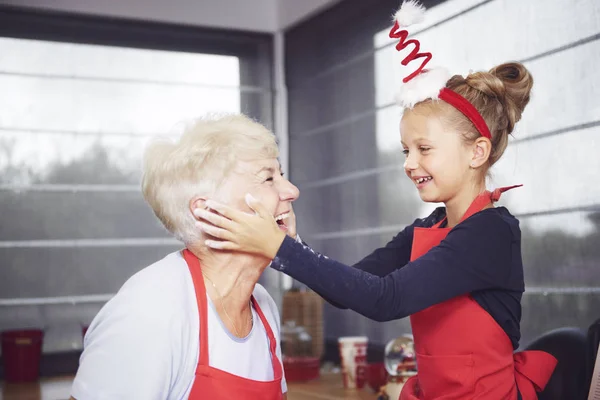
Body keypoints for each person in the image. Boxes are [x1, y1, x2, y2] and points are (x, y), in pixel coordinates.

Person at [192, 2, 558, 399]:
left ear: (477, 152)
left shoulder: (490, 233)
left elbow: (387, 300)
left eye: (424, 148)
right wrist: (293, 247)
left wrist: (277, 248)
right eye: (405, 151)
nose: (410, 163)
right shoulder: (428, 228)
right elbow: (352, 287)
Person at [70, 114, 299, 400]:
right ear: (209, 212)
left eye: (282, 175)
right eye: (268, 178)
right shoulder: (152, 310)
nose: (292, 191)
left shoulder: (263, 306)